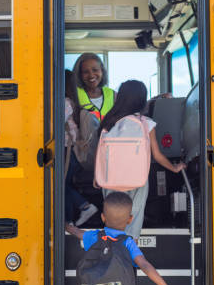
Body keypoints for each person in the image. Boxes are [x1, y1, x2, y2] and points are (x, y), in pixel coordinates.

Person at [97, 80, 186, 240]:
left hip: (110, 179)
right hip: (137, 181)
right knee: (133, 222)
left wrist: (97, 177)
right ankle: (131, 258)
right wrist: (174, 168)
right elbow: (157, 155)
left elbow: (102, 154)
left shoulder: (109, 123)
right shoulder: (146, 124)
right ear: (141, 100)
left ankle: (112, 256)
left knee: (114, 223)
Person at [64, 69, 98, 225]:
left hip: (67, 152)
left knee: (60, 185)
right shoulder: (72, 102)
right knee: (66, 185)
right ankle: (68, 221)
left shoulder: (63, 103)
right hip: (72, 152)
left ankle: (85, 206)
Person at [72, 53, 116, 123]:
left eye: (95, 70)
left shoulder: (114, 95)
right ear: (79, 74)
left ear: (102, 71)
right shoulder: (73, 95)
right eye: (86, 72)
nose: (91, 75)